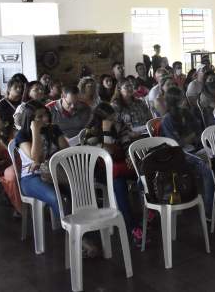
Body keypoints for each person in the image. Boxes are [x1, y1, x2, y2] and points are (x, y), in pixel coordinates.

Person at [82, 102, 140, 243]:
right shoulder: (90, 133)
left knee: (142, 172)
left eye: (114, 116)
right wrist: (107, 132)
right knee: (119, 184)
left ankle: (149, 210)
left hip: (120, 165)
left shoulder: (119, 126)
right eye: (111, 118)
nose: (114, 120)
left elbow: (126, 144)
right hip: (102, 171)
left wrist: (129, 157)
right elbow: (107, 153)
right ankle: (132, 227)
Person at [160, 87, 215, 219]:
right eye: (181, 99)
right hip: (179, 155)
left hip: (193, 149)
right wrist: (190, 137)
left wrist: (190, 138)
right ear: (174, 102)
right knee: (207, 169)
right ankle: (209, 211)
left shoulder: (188, 113)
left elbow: (199, 133)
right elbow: (177, 144)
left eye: (184, 97)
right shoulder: (167, 119)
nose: (185, 100)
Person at [15, 100, 68, 221]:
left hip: (55, 173)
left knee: (77, 193)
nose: (45, 119)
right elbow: (35, 157)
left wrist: (46, 161)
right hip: (31, 178)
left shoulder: (53, 129)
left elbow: (65, 151)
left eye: (45, 114)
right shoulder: (22, 135)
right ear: (30, 120)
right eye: (40, 117)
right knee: (57, 198)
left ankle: (82, 229)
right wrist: (35, 131)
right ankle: (72, 233)